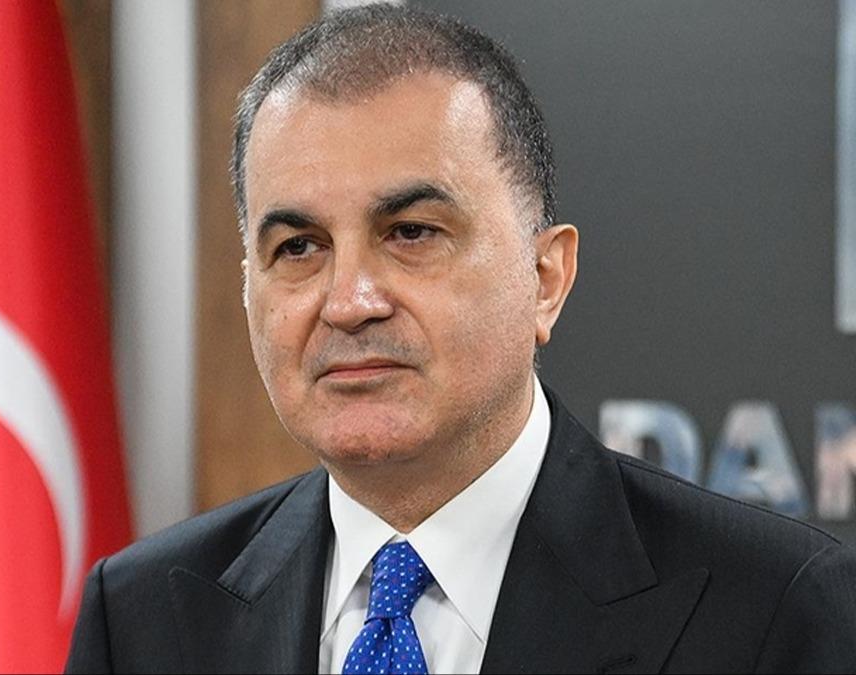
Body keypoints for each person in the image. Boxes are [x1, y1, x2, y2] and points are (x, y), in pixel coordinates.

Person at [65, 5, 856, 674]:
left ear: (546, 277)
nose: (349, 301)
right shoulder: (140, 618)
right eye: (299, 247)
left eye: (411, 232)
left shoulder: (774, 610)